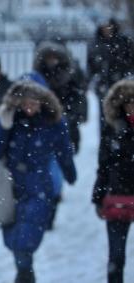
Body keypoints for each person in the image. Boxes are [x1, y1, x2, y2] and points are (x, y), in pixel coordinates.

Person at [0, 81, 77, 283]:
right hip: (11, 188)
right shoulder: (12, 121)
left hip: (39, 186)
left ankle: (24, 274)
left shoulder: (52, 122)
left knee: (25, 239)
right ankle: (25, 270)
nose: (29, 108)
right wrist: (3, 126)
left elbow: (64, 150)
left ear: (42, 103)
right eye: (25, 104)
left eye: (34, 104)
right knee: (11, 238)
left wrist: (70, 172)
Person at [92, 79, 134, 283]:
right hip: (118, 195)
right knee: (116, 255)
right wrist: (98, 196)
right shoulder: (113, 130)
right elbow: (104, 166)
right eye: (129, 103)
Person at [34, 40, 88, 154]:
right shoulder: (40, 74)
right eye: (48, 57)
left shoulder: (71, 72)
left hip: (68, 111)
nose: (51, 60)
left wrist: (77, 113)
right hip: (48, 115)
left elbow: (79, 94)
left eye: (54, 57)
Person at [88, 18, 134, 133]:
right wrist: (96, 81)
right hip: (103, 87)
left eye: (108, 26)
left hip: (122, 87)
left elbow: (130, 62)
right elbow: (90, 66)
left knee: (124, 114)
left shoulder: (124, 42)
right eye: (103, 26)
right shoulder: (95, 44)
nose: (106, 29)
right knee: (104, 117)